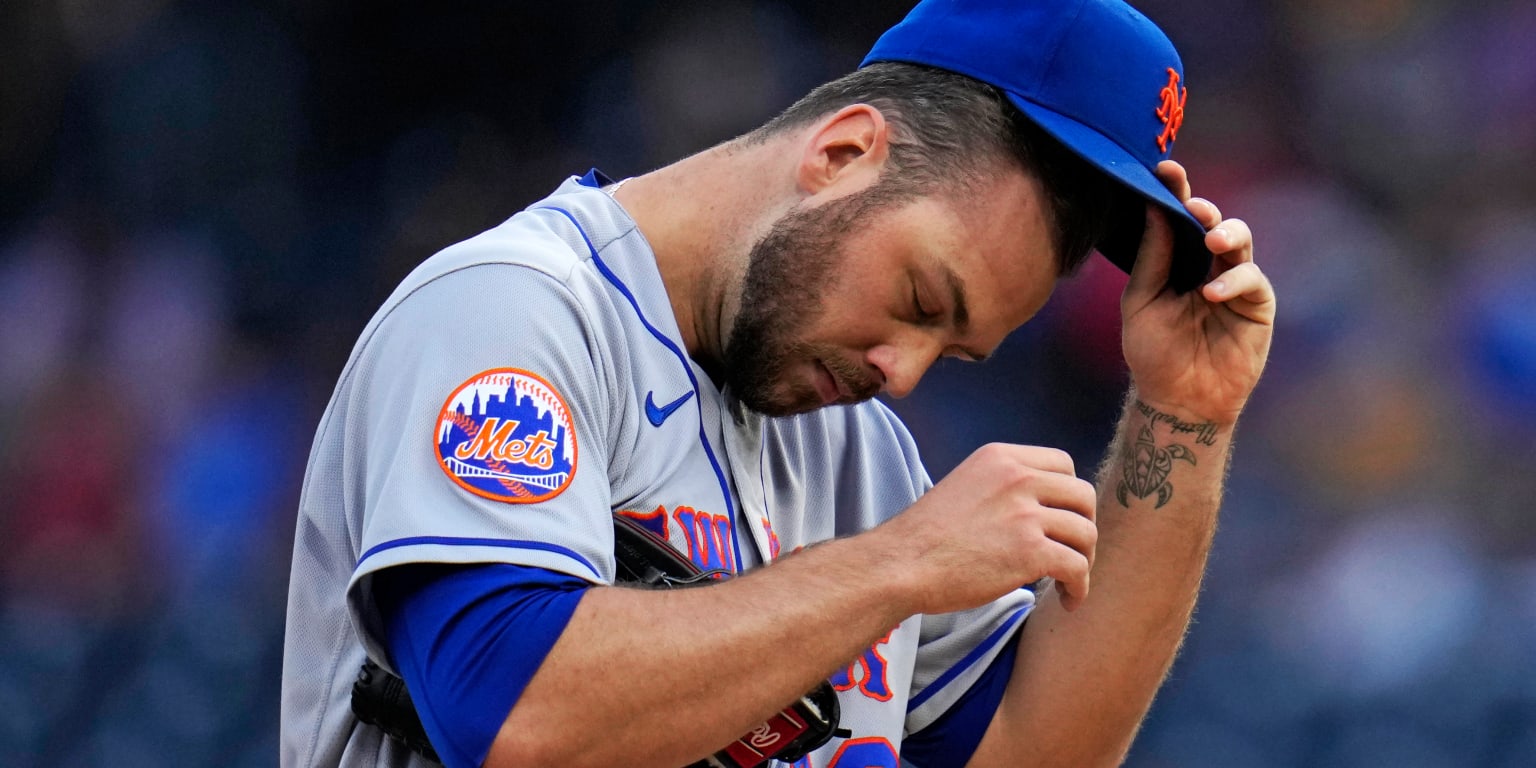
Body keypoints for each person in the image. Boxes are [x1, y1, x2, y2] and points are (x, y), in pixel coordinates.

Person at [279, 0, 1275, 766]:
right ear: (844, 153)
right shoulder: (516, 309)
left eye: (953, 352)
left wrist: (1184, 414)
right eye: (924, 299)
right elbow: (515, 719)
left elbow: (1031, 749)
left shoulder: (857, 454)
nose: (903, 374)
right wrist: (899, 563)